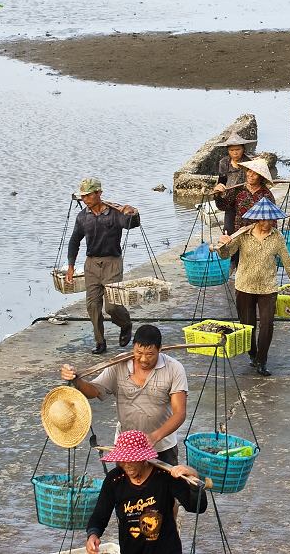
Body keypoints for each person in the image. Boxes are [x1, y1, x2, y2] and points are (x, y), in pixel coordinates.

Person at [61, 325, 188, 464]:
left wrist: (154, 437)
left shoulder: (174, 368)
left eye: (150, 354)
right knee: (125, 483)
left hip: (162, 446)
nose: (144, 359)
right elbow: (94, 390)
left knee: (165, 485)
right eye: (139, 352)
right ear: (133, 347)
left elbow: (179, 413)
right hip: (126, 446)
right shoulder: (119, 363)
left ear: (160, 349)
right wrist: (76, 380)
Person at [217, 197, 290, 376]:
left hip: (268, 288)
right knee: (247, 325)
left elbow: (288, 262)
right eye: (263, 219)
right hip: (244, 286)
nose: (267, 223)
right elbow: (226, 254)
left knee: (267, 324)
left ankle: (261, 360)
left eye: (270, 220)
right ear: (256, 219)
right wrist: (223, 244)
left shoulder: (277, 237)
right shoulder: (243, 234)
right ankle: (252, 354)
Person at [85, 430, 207, 554]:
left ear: (144, 458)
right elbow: (100, 515)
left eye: (131, 460)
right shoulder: (115, 479)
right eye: (122, 460)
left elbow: (197, 507)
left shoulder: (165, 475)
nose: (127, 465)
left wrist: (194, 476)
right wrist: (93, 534)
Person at [66, 178, 138, 354]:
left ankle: (125, 324)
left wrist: (133, 213)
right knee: (92, 306)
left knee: (112, 306)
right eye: (83, 196)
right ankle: (100, 341)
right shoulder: (83, 217)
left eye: (89, 195)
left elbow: (131, 224)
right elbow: (74, 241)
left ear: (99, 193)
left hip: (112, 262)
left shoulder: (114, 213)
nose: (85, 200)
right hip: (92, 264)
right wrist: (71, 266)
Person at [212, 132, 255, 233]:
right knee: (229, 230)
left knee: (246, 229)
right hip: (230, 199)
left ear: (243, 149)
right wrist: (219, 189)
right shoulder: (224, 163)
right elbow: (222, 181)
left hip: (246, 200)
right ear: (228, 151)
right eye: (232, 150)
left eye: (238, 149)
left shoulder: (249, 162)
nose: (235, 153)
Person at [219, 157, 275, 231]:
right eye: (249, 171)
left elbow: (271, 219)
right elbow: (224, 206)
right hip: (240, 232)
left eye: (255, 174)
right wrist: (218, 195)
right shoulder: (238, 189)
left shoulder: (266, 195)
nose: (251, 175)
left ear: (261, 177)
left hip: (258, 232)